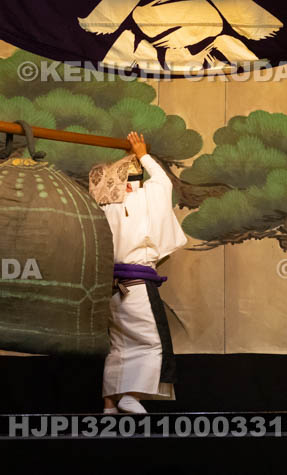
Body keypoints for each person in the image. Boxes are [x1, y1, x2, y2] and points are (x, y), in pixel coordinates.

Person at [90, 132, 187, 414]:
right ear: (132, 183)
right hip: (136, 283)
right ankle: (131, 396)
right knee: (150, 342)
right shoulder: (141, 199)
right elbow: (163, 182)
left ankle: (109, 403)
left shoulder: (104, 206)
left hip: (109, 287)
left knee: (119, 344)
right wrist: (142, 153)